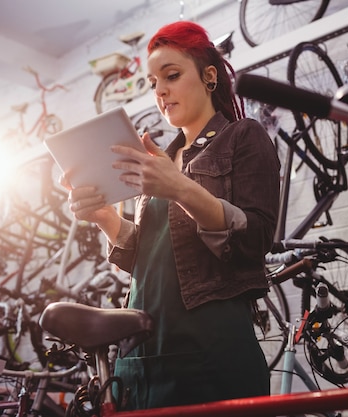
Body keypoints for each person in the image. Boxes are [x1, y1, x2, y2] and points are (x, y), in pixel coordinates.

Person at [63, 21, 280, 410]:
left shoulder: (243, 137)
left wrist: (179, 187)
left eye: (172, 75)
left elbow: (256, 240)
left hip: (210, 353)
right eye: (152, 83)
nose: (160, 91)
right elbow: (152, 256)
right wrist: (105, 219)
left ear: (209, 76)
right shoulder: (159, 160)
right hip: (141, 354)